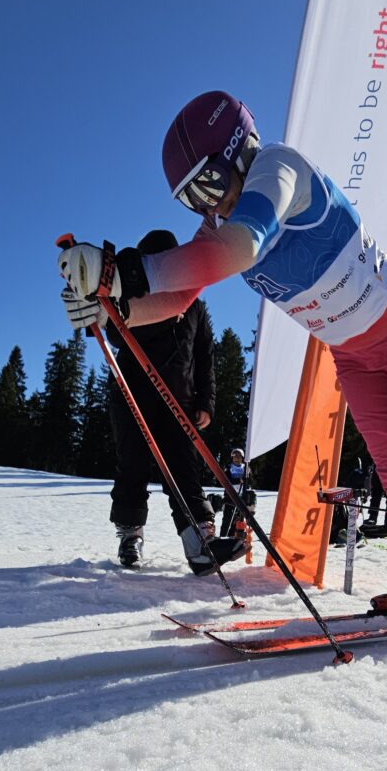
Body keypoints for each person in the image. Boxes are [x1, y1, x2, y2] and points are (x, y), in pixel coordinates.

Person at [59, 91, 387, 622]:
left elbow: (241, 248)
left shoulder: (278, 167)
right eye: (190, 200)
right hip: (354, 355)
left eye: (208, 185)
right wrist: (112, 306)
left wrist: (125, 270)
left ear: (239, 150)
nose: (207, 207)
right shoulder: (218, 221)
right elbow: (181, 295)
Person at [67, 229, 245, 575]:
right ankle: (130, 534)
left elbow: (206, 353)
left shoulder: (194, 305)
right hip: (133, 391)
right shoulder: (132, 300)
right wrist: (103, 308)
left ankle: (200, 540)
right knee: (132, 464)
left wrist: (206, 401)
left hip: (180, 397)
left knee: (183, 467)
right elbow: (116, 333)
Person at [219, 447, 254, 538]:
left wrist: (247, 479)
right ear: (232, 457)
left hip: (241, 497)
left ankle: (232, 536)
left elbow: (250, 480)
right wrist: (239, 480)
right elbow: (226, 480)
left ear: (242, 458)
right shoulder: (229, 468)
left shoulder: (246, 468)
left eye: (239, 456)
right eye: (235, 456)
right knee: (227, 519)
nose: (237, 458)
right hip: (230, 497)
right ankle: (223, 536)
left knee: (238, 519)